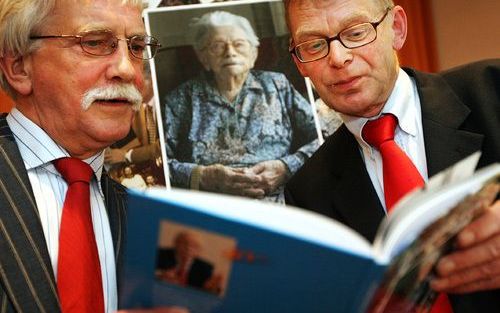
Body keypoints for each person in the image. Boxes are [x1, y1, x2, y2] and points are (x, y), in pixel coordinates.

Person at [282, 0, 500, 312]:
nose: (339, 58)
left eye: (356, 33)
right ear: (300, 62)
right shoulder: (307, 192)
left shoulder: (492, 89)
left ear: (396, 29)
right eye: (314, 45)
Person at [0, 1, 186, 312]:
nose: (127, 70)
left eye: (137, 46)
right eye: (95, 43)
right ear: (19, 67)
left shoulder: (148, 225)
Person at [165, 11, 319, 202]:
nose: (230, 52)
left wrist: (285, 168)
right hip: (210, 207)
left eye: (238, 44)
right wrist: (202, 177)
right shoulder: (181, 98)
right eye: (217, 46)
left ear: (254, 53)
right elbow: (161, 164)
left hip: (280, 202)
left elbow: (321, 137)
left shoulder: (278, 85)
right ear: (203, 57)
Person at [156, 231, 221, 294]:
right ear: (175, 243)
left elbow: (210, 292)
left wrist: (211, 289)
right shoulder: (160, 254)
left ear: (199, 251)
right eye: (185, 243)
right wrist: (159, 277)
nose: (188, 248)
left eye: (195, 246)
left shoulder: (206, 267)